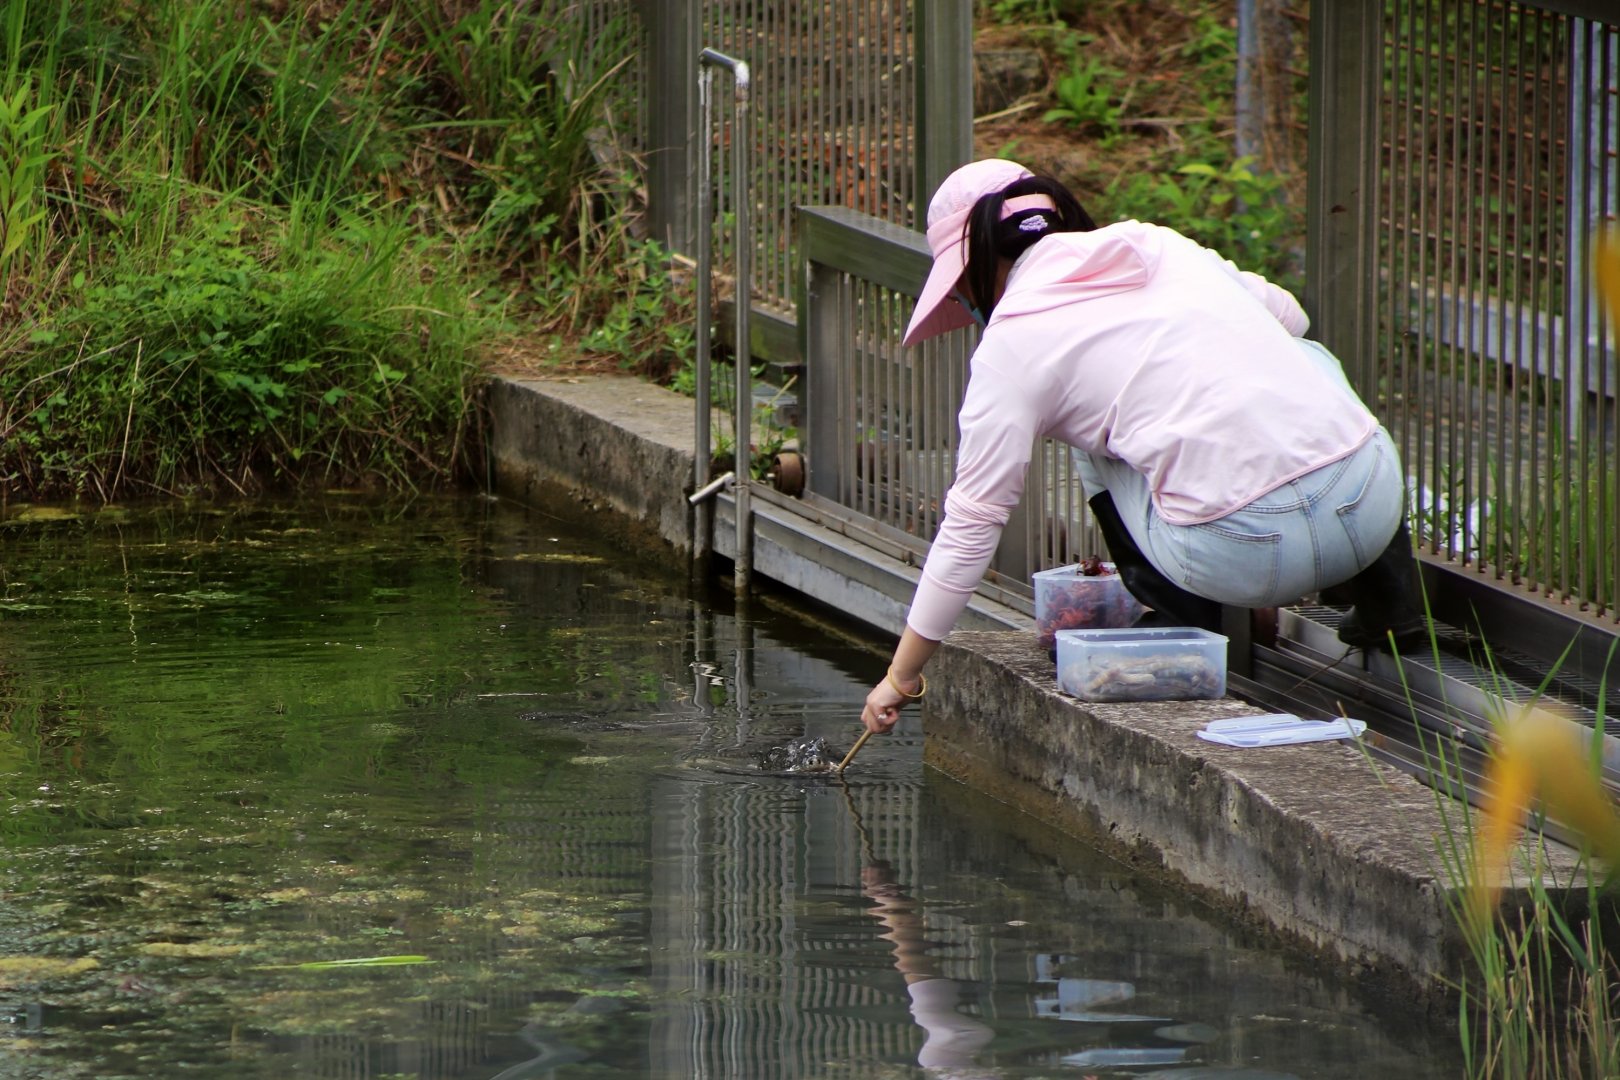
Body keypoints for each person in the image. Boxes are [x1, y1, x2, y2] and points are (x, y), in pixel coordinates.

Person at [861, 158, 1426, 735]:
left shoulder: (1012, 343)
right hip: (1369, 505)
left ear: (978, 262)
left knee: (1097, 439)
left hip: (1241, 557)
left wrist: (902, 676)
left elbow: (974, 519)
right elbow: (1292, 317)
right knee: (1307, 359)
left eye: (959, 290)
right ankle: (1393, 600)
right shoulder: (1153, 244)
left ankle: (1181, 621)